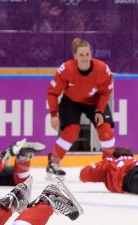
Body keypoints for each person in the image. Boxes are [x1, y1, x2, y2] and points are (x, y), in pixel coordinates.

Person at [46, 37, 116, 178]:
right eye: (81, 55)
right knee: (71, 132)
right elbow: (52, 93)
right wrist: (54, 114)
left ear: (91, 55)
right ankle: (53, 163)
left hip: (94, 101)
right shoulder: (66, 69)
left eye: (87, 54)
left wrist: (100, 111)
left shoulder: (103, 69)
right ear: (75, 56)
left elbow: (105, 92)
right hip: (71, 101)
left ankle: (108, 165)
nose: (84, 58)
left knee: (105, 129)